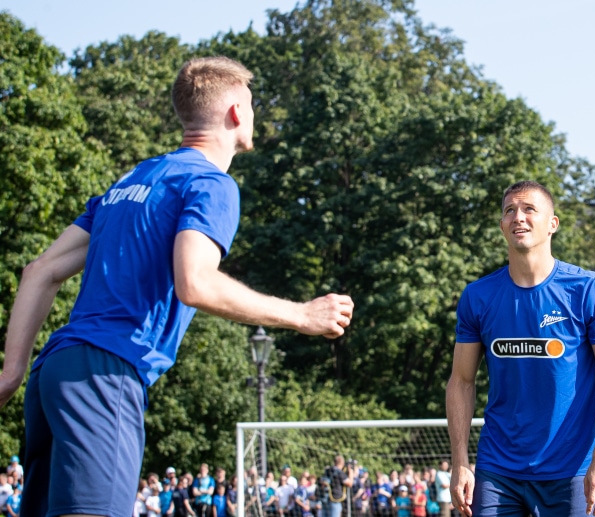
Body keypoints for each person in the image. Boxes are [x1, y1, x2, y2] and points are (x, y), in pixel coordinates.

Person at [0, 56, 356, 517]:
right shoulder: (211, 183)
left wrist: (11, 374)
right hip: (105, 374)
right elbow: (195, 283)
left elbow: (39, 271)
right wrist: (303, 316)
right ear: (234, 112)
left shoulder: (132, 180)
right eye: (251, 104)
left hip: (53, 372)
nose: (253, 114)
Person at [446, 181, 595, 517]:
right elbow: (461, 381)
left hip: (572, 469)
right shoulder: (478, 296)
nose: (519, 217)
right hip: (498, 469)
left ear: (553, 224)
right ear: (502, 225)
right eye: (509, 211)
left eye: (530, 209)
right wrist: (460, 463)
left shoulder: (587, 289)